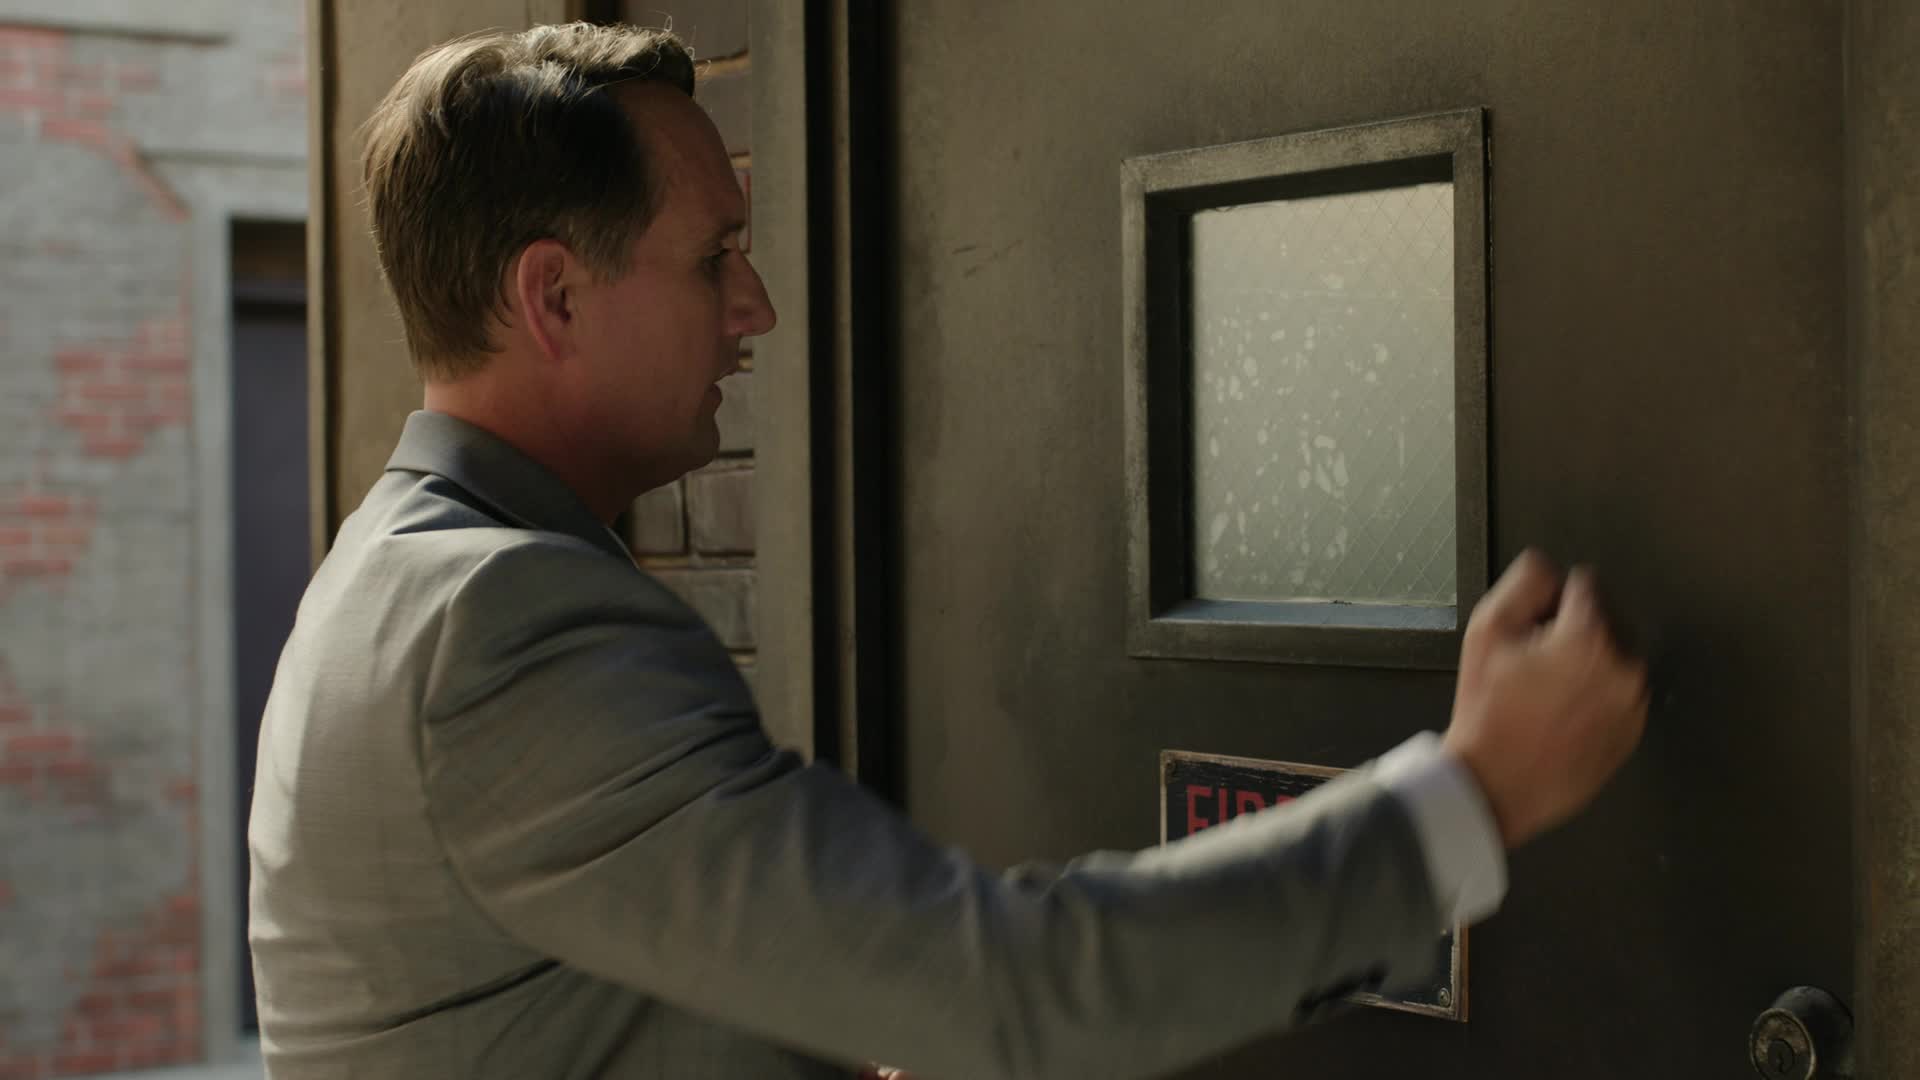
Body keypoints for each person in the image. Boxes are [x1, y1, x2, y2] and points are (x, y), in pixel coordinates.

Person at [247, 22, 1648, 1080]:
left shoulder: (395, 576)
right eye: (712, 257)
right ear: (552, 296)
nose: (757, 307)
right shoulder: (505, 620)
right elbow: (1012, 991)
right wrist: (1476, 794)